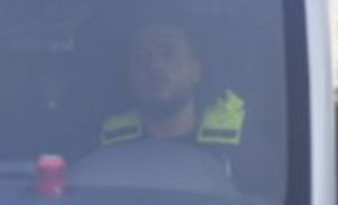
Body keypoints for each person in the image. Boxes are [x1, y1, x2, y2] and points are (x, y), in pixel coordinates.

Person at [100, 21, 257, 184]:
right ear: (129, 74)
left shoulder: (240, 151)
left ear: (195, 71)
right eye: (142, 56)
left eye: (168, 54)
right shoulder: (106, 148)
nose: (155, 66)